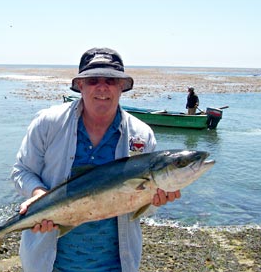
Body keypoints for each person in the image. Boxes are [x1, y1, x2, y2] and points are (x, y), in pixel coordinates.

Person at [11, 47, 181, 272]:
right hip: (50, 263)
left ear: (122, 86)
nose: (102, 87)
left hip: (115, 264)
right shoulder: (48, 123)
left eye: (110, 80)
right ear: (80, 85)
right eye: (93, 80)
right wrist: (39, 194)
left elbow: (139, 209)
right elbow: (21, 171)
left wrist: (153, 201)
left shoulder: (141, 135)